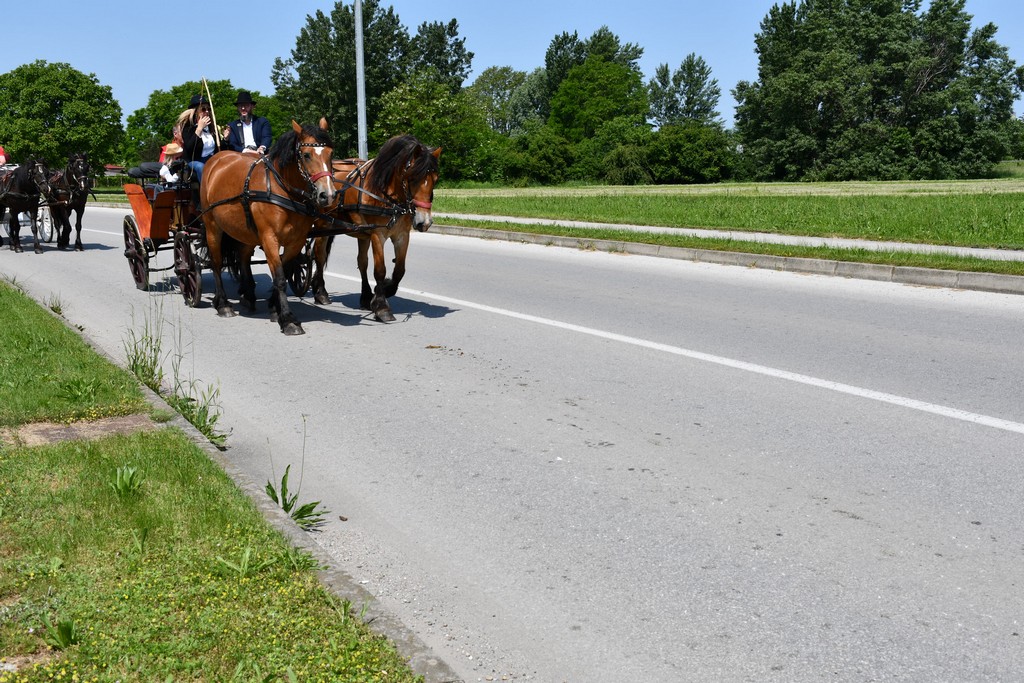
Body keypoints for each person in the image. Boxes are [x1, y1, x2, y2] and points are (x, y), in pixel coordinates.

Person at [180, 94, 220, 183]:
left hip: (212, 159)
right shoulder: (187, 127)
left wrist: (225, 139)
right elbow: (190, 148)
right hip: (195, 160)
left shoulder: (212, 128)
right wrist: (199, 129)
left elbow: (218, 149)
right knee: (201, 167)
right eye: (203, 109)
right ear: (196, 111)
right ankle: (206, 192)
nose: (207, 112)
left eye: (208, 109)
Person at [223, 90, 271, 155]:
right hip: (242, 155)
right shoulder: (232, 125)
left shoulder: (262, 122)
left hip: (261, 154)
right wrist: (246, 151)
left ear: (252, 106)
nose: (243, 108)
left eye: (246, 105)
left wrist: (262, 148)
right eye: (240, 106)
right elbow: (233, 144)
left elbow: (266, 137)